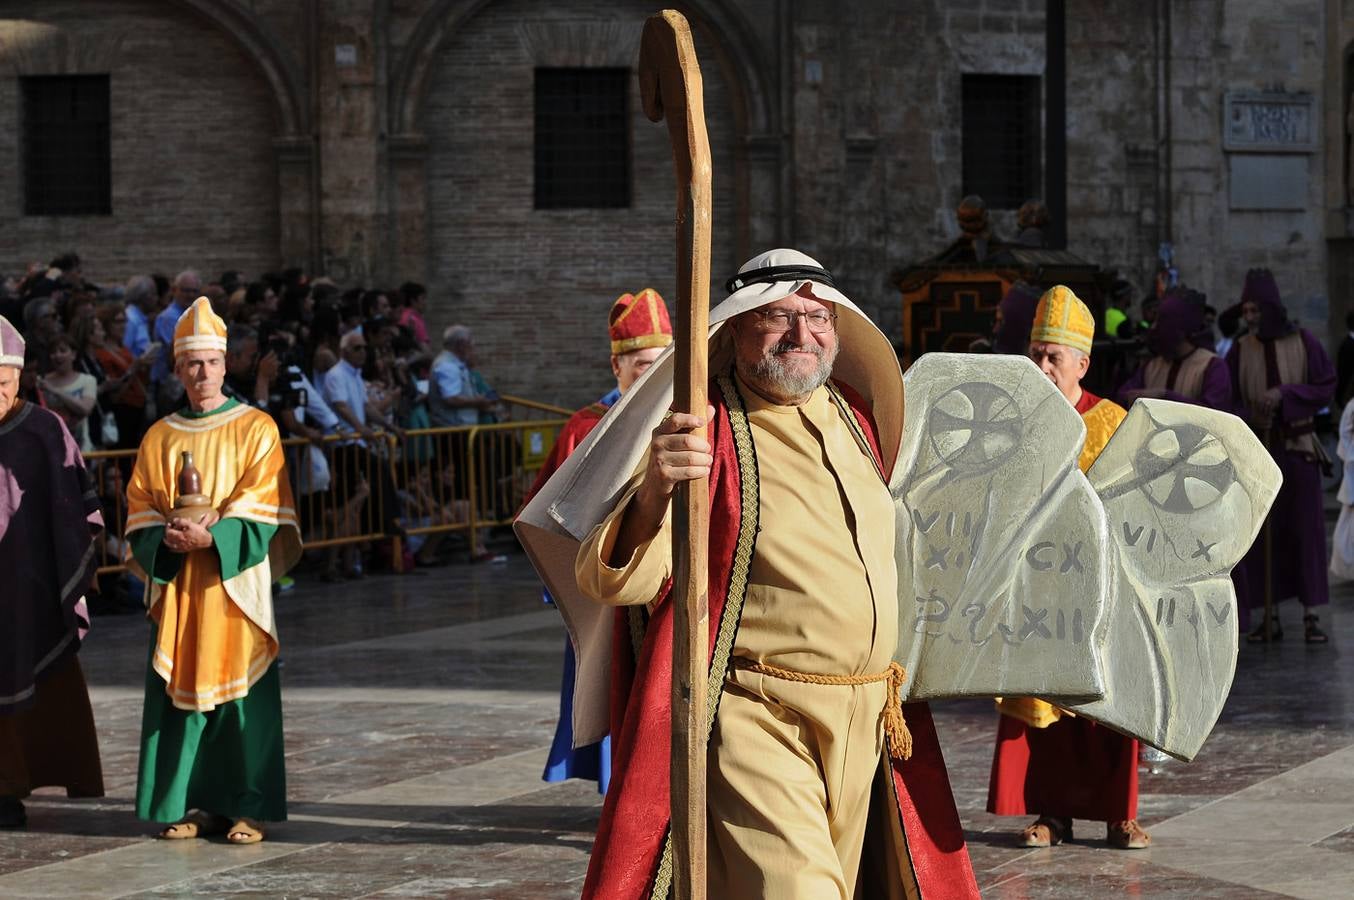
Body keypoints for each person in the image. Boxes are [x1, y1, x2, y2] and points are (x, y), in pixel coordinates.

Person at [571, 250, 976, 898]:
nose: (801, 333)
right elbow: (620, 580)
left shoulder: (856, 416)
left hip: (867, 724)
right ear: (734, 329)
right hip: (758, 719)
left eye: (817, 317)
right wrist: (654, 490)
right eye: (778, 316)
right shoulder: (706, 429)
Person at [125, 297, 302, 844]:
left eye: (211, 362)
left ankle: (248, 807)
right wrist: (169, 540)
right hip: (181, 586)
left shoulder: (257, 428)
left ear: (227, 366)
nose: (202, 373)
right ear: (178, 369)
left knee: (242, 701)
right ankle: (189, 802)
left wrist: (214, 537)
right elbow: (141, 506)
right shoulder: (160, 436)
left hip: (234, 585)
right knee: (180, 692)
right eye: (192, 363)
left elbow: (262, 501)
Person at [987, 285, 1150, 851]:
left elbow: (1134, 505)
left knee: (1108, 705)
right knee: (1044, 703)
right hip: (1034, 585)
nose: (1042, 365)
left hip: (1100, 586)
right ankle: (1050, 814)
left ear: (1082, 362)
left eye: (1053, 356)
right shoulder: (1009, 420)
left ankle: (1119, 816)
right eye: (1035, 353)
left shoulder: (1112, 421)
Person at [526, 288, 672, 795]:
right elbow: (550, 514)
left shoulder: (687, 419)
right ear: (617, 366)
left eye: (661, 363)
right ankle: (617, 794)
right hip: (603, 582)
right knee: (611, 686)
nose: (650, 374)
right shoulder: (586, 426)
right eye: (640, 363)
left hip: (667, 582)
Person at [0, 316, 105, 829]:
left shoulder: (44, 429)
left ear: (20, 377)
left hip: (30, 586)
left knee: (37, 671)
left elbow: (71, 511)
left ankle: (18, 784)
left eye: (2, 381)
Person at [1226, 269, 1337, 643]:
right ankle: (1267, 613)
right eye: (1247, 310)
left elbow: (1325, 386)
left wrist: (1286, 395)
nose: (1250, 316)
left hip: (1297, 450)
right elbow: (1228, 401)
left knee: (1305, 532)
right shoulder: (1242, 349)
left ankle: (1311, 615)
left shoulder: (1303, 341)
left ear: (1271, 308)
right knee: (1261, 535)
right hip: (1259, 450)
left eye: (1256, 309)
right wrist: (1251, 413)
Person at [1117, 288, 1232, 411]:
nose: (1154, 328)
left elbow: (1216, 416)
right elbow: (1121, 397)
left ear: (1176, 328)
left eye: (1160, 322)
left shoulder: (1213, 366)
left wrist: (1165, 396)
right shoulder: (1151, 366)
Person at [150, 271, 203, 412]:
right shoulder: (169, 318)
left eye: (194, 291)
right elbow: (179, 354)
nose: (190, 295)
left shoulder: (193, 314)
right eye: (186, 290)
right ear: (175, 290)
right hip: (170, 387)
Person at [39, 334, 99, 452]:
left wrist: (54, 390)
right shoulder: (41, 382)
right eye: (53, 352)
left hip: (81, 449)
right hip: (51, 448)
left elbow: (85, 408)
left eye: (63, 350)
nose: (57, 355)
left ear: (73, 354)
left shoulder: (88, 380)